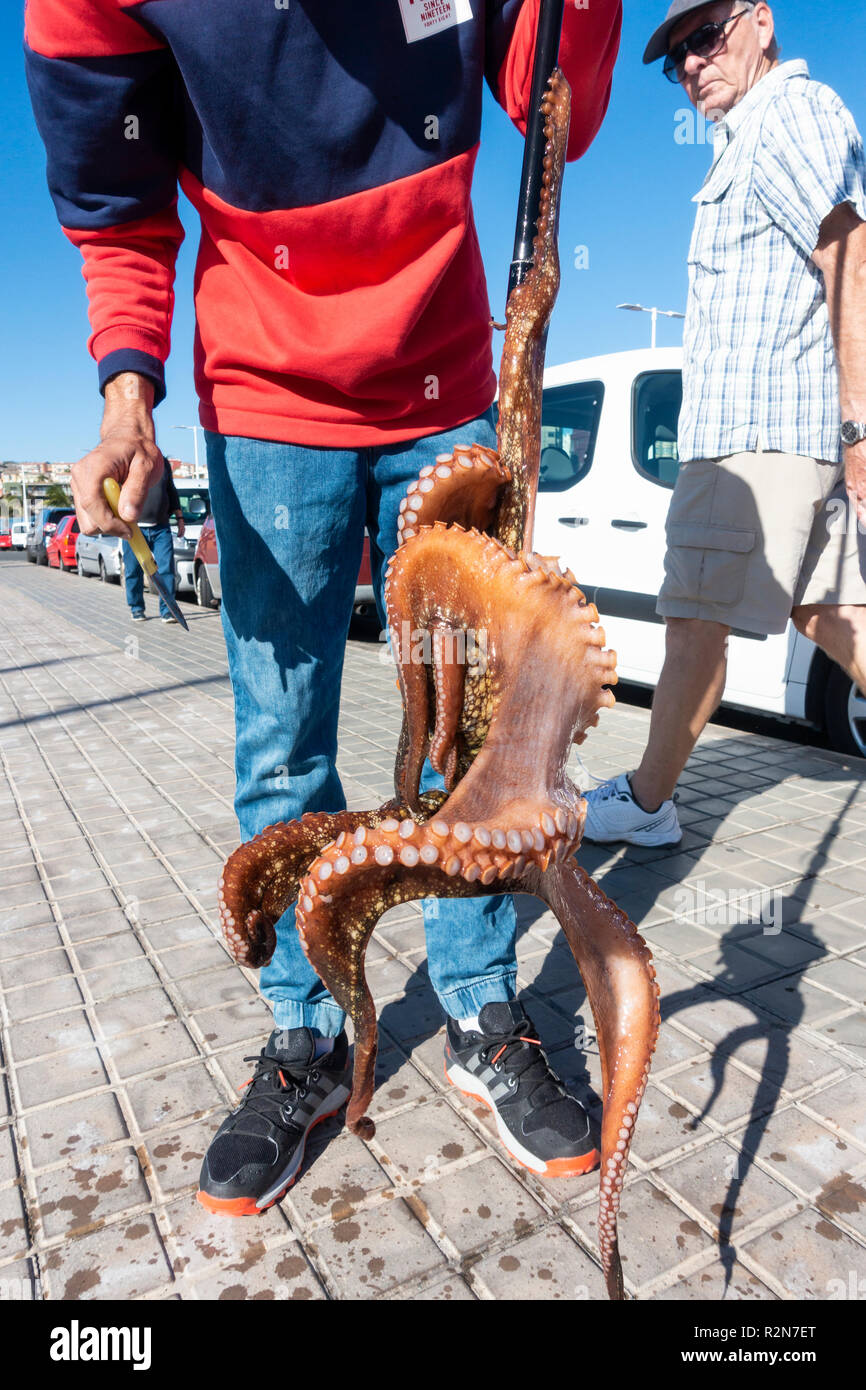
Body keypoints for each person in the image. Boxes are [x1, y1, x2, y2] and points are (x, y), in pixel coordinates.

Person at [26, 0, 623, 1213]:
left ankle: (477, 1010)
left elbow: (549, 102)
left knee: (468, 735)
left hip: (453, 380)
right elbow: (117, 199)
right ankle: (304, 1032)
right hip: (265, 397)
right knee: (283, 733)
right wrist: (126, 401)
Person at [585, 0, 866, 849]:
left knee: (694, 624)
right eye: (678, 59)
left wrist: (860, 427)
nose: (692, 66)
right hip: (787, 435)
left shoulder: (786, 112)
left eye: (705, 37)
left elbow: (847, 257)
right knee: (834, 613)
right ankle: (650, 798)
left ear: (762, 22)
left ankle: (646, 802)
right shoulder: (748, 134)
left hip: (754, 442)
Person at [121, 452, 184, 623]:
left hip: (161, 526)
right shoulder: (127, 462)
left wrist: (180, 519)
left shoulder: (162, 462)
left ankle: (168, 610)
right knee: (133, 570)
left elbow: (171, 489)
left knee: (166, 570)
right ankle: (136, 608)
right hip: (133, 528)